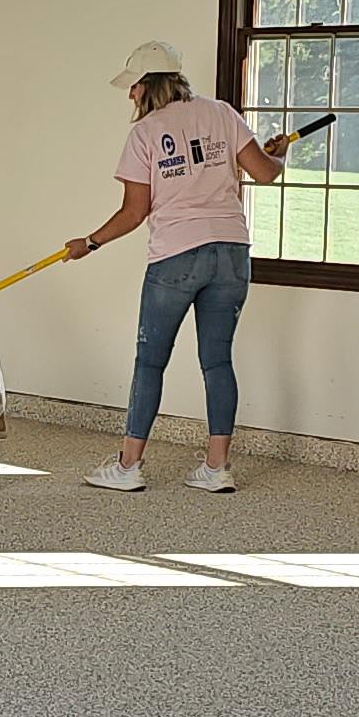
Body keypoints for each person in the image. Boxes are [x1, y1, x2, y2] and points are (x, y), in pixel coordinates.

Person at [65, 41, 291, 493]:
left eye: (133, 87)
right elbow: (265, 173)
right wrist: (279, 153)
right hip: (230, 252)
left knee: (150, 362)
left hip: (177, 255)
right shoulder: (222, 113)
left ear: (150, 85)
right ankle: (216, 468)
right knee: (217, 361)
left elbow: (134, 213)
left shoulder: (145, 134)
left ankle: (128, 468)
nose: (129, 96)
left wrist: (88, 243)